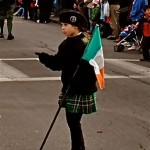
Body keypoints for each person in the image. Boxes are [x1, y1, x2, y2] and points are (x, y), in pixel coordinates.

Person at [35, 9, 98, 150]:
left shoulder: (83, 43)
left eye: (65, 25)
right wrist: (45, 58)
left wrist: (80, 80)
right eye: (61, 25)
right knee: (74, 121)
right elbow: (59, 63)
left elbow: (93, 66)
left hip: (78, 88)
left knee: (73, 121)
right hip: (73, 87)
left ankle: (78, 148)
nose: (62, 28)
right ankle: (78, 147)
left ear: (76, 26)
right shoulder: (76, 41)